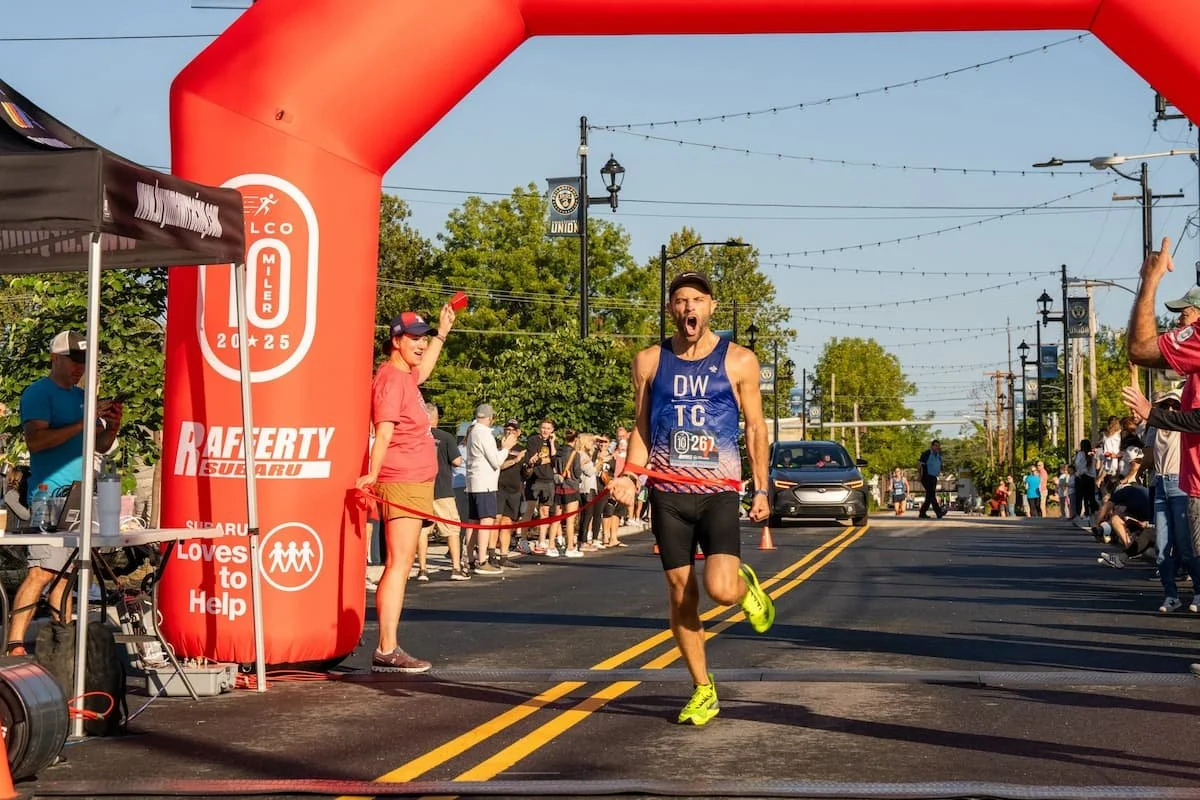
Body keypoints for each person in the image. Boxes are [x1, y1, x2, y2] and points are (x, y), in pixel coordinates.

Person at [609, 270, 774, 726]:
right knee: (682, 593)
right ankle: (703, 688)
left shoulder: (739, 360)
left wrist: (761, 488)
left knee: (720, 590)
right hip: (667, 492)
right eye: (680, 301)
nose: (688, 309)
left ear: (711, 307)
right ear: (671, 310)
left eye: (697, 300)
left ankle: (745, 588)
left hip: (718, 490)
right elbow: (642, 425)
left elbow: (756, 428)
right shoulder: (649, 361)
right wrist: (630, 476)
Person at [9, 331, 123, 656]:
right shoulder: (38, 393)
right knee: (41, 571)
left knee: (67, 575)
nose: (80, 368)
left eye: (84, 362)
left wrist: (110, 426)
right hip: (48, 496)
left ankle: (65, 643)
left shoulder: (83, 397)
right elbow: (36, 442)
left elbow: (98, 445)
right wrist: (85, 422)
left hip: (80, 494)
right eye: (74, 361)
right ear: (55, 358)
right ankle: (15, 644)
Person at [356, 305, 455, 673]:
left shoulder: (405, 377)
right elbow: (382, 431)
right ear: (396, 341)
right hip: (402, 481)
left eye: (422, 337)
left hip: (415, 481)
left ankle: (388, 645)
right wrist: (373, 473)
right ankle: (387, 648)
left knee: (404, 561)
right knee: (398, 563)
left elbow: (425, 369)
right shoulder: (389, 380)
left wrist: (443, 333)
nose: (420, 343)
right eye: (414, 338)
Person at [1122, 385, 1200, 611]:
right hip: (1161, 485)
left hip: (1181, 485)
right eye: (1165, 405)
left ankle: (1198, 592)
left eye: (1175, 405)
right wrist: (1131, 476)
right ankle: (1171, 595)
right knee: (1162, 547)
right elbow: (1146, 455)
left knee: (1186, 547)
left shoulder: (1183, 428)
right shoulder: (1154, 429)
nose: (1170, 408)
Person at [464, 403, 519, 574]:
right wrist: (506, 448)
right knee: (486, 520)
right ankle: (482, 560)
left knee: (473, 521)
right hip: (485, 483)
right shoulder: (484, 433)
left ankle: (470, 558)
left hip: (474, 482)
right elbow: (496, 461)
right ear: (490, 418)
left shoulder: (473, 431)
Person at [420, 403, 469, 582]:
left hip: (421, 488)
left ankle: (423, 569)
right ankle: (456, 568)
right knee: (452, 529)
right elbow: (456, 461)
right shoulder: (446, 437)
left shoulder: (416, 436)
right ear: (436, 418)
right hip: (442, 488)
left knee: (423, 530)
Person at [917, 440, 945, 519]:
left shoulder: (938, 455)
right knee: (932, 494)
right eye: (935, 445)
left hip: (933, 477)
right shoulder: (927, 454)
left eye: (938, 446)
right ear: (932, 446)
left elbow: (940, 465)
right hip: (926, 476)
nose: (937, 447)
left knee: (929, 496)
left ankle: (922, 513)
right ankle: (939, 512)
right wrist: (920, 475)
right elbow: (920, 465)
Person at [3, 465, 30, 533]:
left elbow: (26, 515)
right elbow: (26, 515)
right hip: (13, 536)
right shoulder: (12, 494)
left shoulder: (11, 494)